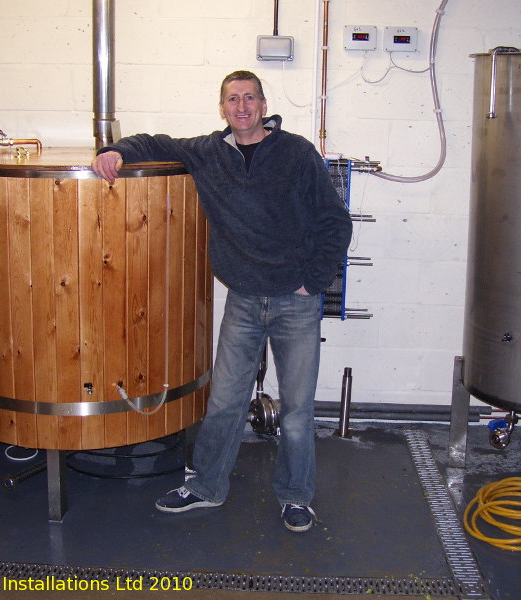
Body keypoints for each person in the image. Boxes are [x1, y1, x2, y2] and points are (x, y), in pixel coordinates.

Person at [91, 70, 352, 533]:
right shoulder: (208, 152)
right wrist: (116, 151)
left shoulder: (296, 153)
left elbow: (335, 221)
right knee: (225, 401)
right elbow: (155, 141)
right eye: (233, 99)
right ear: (222, 107)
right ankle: (206, 486)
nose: (242, 107)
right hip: (244, 301)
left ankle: (295, 496)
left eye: (249, 98)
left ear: (264, 103)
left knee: (297, 409)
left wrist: (312, 282)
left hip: (295, 303)